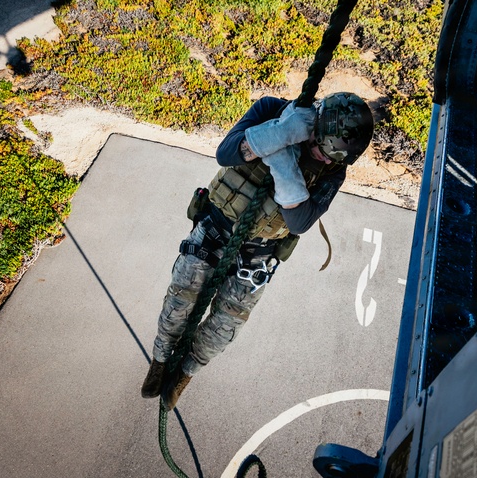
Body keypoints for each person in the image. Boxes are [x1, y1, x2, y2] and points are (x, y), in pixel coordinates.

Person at [141, 92, 374, 410]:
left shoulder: (334, 169)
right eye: (322, 151)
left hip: (261, 249)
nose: (324, 160)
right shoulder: (271, 110)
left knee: (227, 323)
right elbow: (225, 153)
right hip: (216, 223)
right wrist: (281, 132)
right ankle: (160, 359)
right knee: (182, 295)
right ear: (312, 126)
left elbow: (299, 220)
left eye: (333, 158)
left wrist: (280, 159)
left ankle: (185, 374)